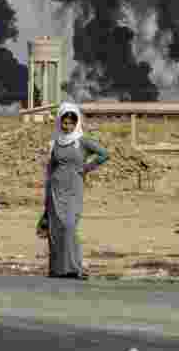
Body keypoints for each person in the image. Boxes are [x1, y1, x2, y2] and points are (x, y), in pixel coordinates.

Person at [39, 101, 109, 279]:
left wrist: (86, 168)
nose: (67, 126)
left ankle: (75, 268)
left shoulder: (82, 142)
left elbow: (104, 154)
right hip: (56, 190)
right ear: (60, 122)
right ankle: (58, 270)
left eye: (71, 122)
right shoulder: (54, 143)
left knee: (69, 226)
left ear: (76, 123)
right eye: (65, 122)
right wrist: (46, 197)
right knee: (55, 229)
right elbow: (50, 169)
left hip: (73, 190)